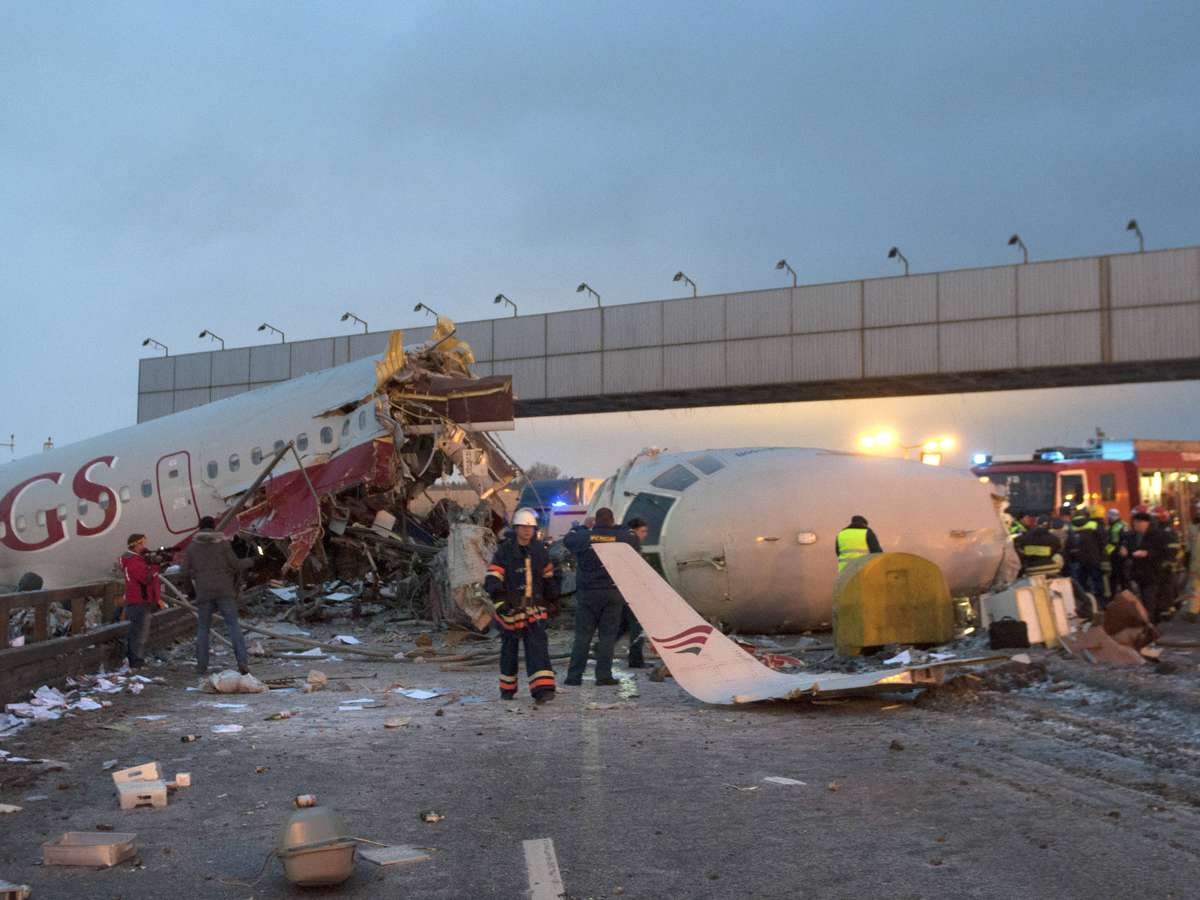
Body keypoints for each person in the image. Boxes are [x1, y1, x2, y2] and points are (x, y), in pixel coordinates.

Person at [484, 508, 559, 702]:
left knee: (538, 648)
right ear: (516, 528)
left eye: (530, 528)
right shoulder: (504, 551)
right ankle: (507, 689)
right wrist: (500, 601)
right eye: (523, 527)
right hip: (511, 610)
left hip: (534, 609)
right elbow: (493, 578)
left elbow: (548, 578)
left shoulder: (540, 551)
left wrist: (553, 600)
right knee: (509, 650)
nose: (527, 531)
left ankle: (543, 690)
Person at [563, 507, 640, 686]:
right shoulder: (622, 536)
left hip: (587, 594)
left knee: (583, 636)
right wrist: (615, 529)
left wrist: (582, 527)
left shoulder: (583, 537)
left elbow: (568, 539)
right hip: (612, 593)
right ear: (612, 520)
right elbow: (634, 538)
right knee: (607, 637)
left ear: (595, 521)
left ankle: (574, 676)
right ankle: (604, 676)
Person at [180, 516, 252, 676]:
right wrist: (252, 560)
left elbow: (183, 573)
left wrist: (191, 592)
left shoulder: (192, 547)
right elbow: (236, 565)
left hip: (204, 592)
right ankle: (242, 662)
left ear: (199, 528)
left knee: (203, 629)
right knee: (233, 625)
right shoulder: (223, 544)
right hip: (224, 591)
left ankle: (201, 667)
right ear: (214, 527)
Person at [118, 534, 165, 669]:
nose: (144, 547)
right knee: (139, 633)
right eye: (142, 544)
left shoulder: (135, 560)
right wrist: (155, 566)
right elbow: (146, 579)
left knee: (139, 632)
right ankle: (136, 661)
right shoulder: (133, 561)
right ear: (135, 545)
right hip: (139, 600)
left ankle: (137, 659)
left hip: (140, 599)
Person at [1122, 511, 1168, 623]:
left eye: (1136, 522)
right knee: (1142, 599)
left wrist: (1147, 553)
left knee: (1149, 599)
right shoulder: (1132, 535)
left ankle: (1150, 622)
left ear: (1144, 523)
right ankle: (1150, 620)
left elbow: (1164, 552)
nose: (1134, 525)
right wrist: (1125, 551)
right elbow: (1129, 550)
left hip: (1152, 572)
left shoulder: (1157, 534)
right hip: (1137, 573)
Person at [620, 517, 650, 668]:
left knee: (624, 625)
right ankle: (636, 660)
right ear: (634, 531)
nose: (645, 535)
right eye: (643, 531)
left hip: (626, 593)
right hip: (633, 593)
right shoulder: (632, 546)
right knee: (637, 627)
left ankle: (600, 649)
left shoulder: (626, 544)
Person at [1067, 510, 1105, 600]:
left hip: (1078, 559)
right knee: (1096, 579)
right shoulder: (1094, 524)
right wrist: (1100, 554)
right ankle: (1099, 599)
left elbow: (1068, 544)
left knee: (1081, 581)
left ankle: (1085, 600)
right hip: (1093, 557)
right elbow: (1101, 541)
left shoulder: (1071, 526)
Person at [1104, 508, 1128, 598]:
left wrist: (1107, 551)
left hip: (1118, 555)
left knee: (1118, 576)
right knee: (1120, 576)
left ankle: (1117, 595)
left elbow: (1114, 542)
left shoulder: (1117, 527)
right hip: (1119, 554)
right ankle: (1123, 594)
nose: (1108, 519)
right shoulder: (1120, 525)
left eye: (1109, 517)